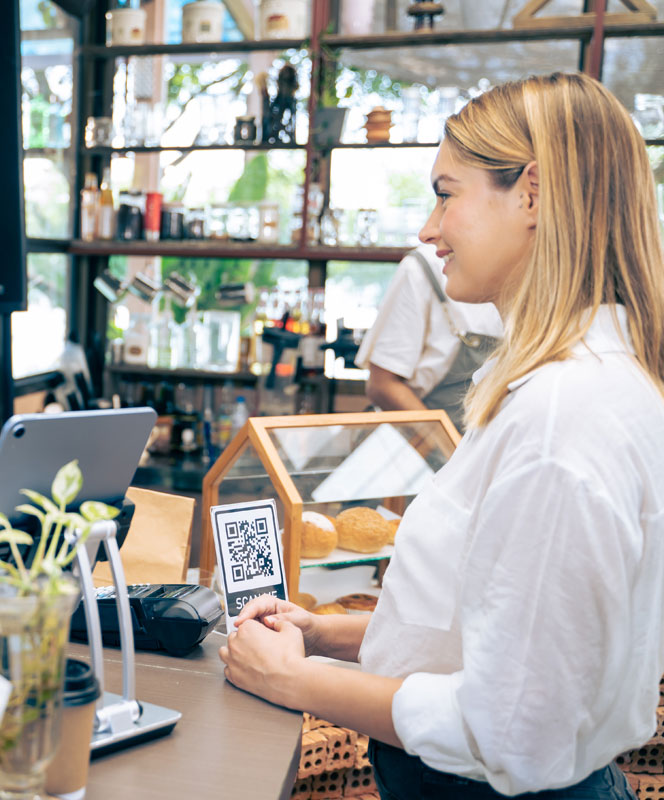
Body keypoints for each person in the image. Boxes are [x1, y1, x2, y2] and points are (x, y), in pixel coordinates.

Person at [220, 72, 664, 799]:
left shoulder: (563, 420)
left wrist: (296, 680)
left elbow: (513, 734)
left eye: (446, 193)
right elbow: (512, 644)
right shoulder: (590, 381)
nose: (428, 230)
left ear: (533, 192)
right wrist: (329, 633)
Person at [356, 243, 503, 432]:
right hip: (420, 447)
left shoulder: (529, 275)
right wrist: (448, 447)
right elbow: (382, 385)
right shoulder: (425, 266)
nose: (426, 232)